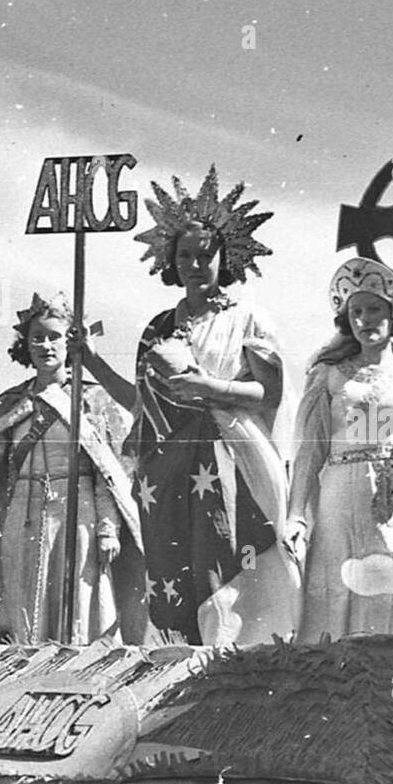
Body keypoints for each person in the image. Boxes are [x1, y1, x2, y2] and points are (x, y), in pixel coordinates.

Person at [79, 167, 299, 646]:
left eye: (206, 255)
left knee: (225, 561)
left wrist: (209, 388)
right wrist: (92, 362)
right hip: (168, 465)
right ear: (169, 260)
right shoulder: (158, 326)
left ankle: (233, 656)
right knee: (176, 569)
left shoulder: (248, 318)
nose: (195, 264)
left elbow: (270, 395)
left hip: (228, 457)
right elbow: (142, 404)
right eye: (184, 255)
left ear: (228, 257)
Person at [0, 292, 145, 644]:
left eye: (54, 337)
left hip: (78, 509)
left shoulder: (92, 399)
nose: (45, 345)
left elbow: (108, 473)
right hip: (22, 508)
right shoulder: (11, 401)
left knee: (77, 597)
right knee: (23, 594)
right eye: (37, 337)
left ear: (70, 344)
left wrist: (108, 529)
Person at [287, 257, 393, 640]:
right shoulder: (327, 376)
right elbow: (311, 452)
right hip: (340, 496)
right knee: (337, 588)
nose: (365, 319)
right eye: (356, 312)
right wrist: (296, 514)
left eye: (374, 309)